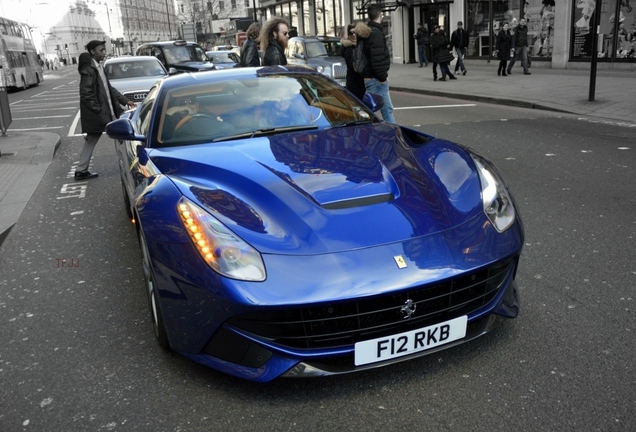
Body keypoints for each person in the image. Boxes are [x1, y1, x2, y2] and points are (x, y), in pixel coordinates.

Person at [76, 40, 135, 180]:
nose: (104, 52)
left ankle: (81, 170)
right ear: (92, 52)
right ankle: (131, 165)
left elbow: (109, 89)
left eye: (104, 50)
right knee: (123, 133)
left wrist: (125, 100)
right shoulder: (89, 70)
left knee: (92, 138)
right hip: (100, 112)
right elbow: (86, 94)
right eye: (101, 50)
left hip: (106, 110)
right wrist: (98, 111)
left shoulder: (98, 67)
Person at [359, 4, 396, 123]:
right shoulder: (376, 33)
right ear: (381, 15)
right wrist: (383, 78)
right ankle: (393, 137)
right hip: (376, 79)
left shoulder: (367, 32)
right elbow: (377, 59)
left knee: (368, 112)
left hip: (370, 77)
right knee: (387, 111)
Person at [341, 22, 368, 100]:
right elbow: (356, 67)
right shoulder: (349, 50)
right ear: (348, 36)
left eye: (355, 33)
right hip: (355, 85)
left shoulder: (360, 46)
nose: (353, 35)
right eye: (351, 33)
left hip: (361, 84)